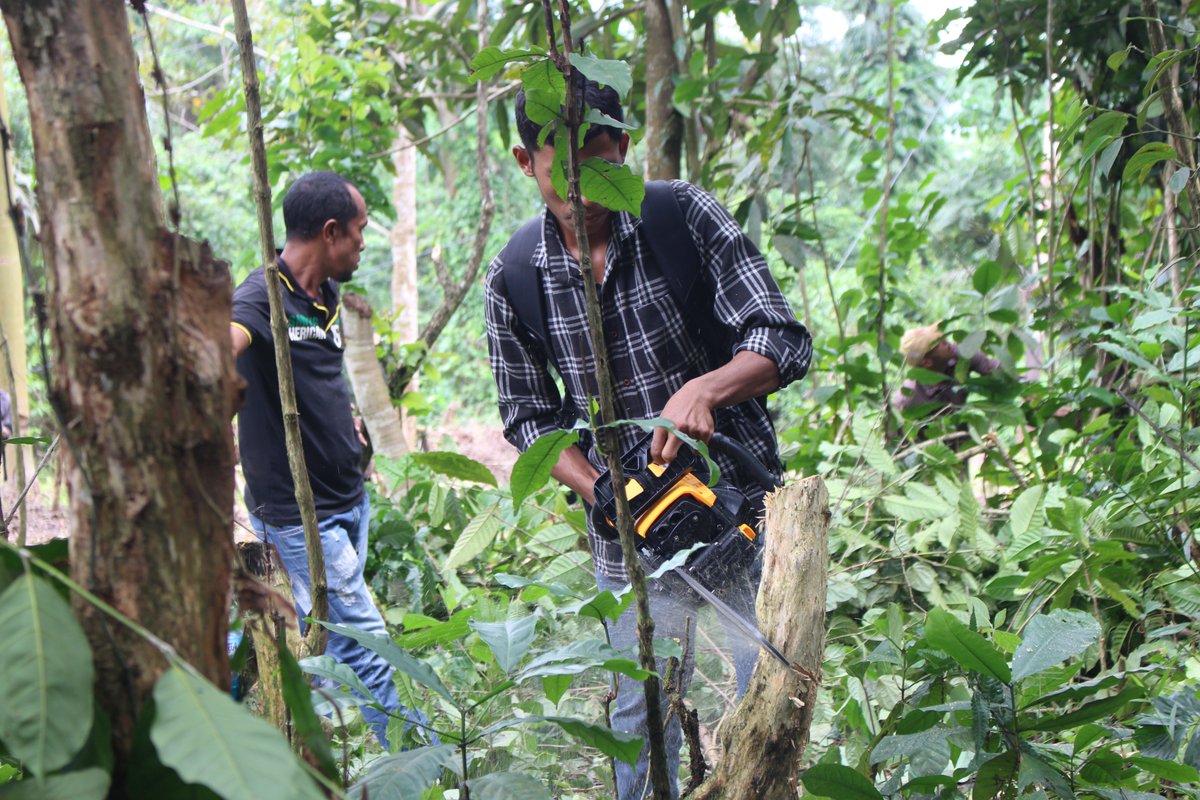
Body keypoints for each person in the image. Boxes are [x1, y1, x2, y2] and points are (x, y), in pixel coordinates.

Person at [484, 80, 811, 799]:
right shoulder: (514, 278)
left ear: (625, 148)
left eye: (598, 161)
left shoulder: (679, 217)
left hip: (739, 514)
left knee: (768, 688)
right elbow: (528, 417)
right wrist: (602, 489)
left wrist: (705, 390)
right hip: (629, 540)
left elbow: (782, 338)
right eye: (558, 167)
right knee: (641, 712)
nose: (582, 186)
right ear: (522, 162)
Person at [230, 171, 428, 749]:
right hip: (298, 513)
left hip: (347, 500)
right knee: (368, 644)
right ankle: (416, 769)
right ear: (331, 230)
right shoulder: (259, 297)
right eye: (361, 231)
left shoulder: (326, 298)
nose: (365, 242)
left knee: (314, 630)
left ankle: (265, 721)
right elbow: (222, 344)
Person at [893, 322, 1000, 415]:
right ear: (927, 362)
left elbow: (998, 371)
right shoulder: (909, 399)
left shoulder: (961, 355)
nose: (945, 340)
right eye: (938, 343)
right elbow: (896, 433)